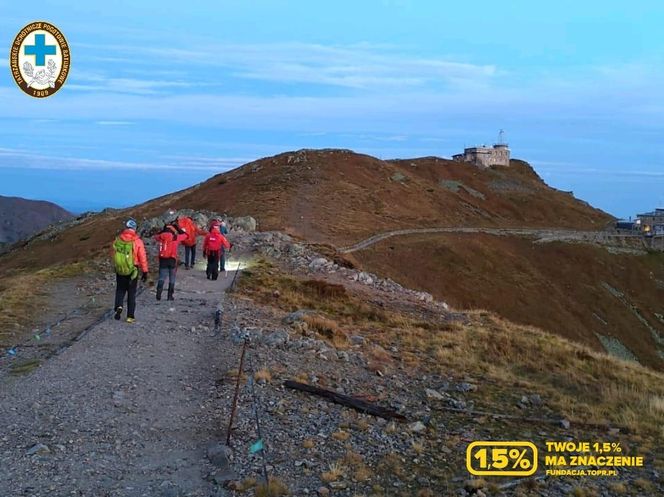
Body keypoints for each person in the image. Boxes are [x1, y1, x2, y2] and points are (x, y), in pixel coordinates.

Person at [111, 218, 148, 323]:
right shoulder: (137, 241)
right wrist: (145, 271)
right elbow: (142, 257)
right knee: (131, 293)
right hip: (133, 270)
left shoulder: (118, 239)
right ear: (134, 228)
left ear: (126, 228)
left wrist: (116, 266)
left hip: (120, 269)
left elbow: (113, 254)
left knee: (120, 290)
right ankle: (130, 316)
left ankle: (118, 306)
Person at [154, 222, 188, 300]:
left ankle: (158, 295)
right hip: (172, 259)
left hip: (163, 259)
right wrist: (179, 229)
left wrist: (162, 231)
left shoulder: (160, 237)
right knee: (172, 277)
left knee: (161, 277)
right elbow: (186, 235)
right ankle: (170, 296)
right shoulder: (175, 238)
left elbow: (155, 236)